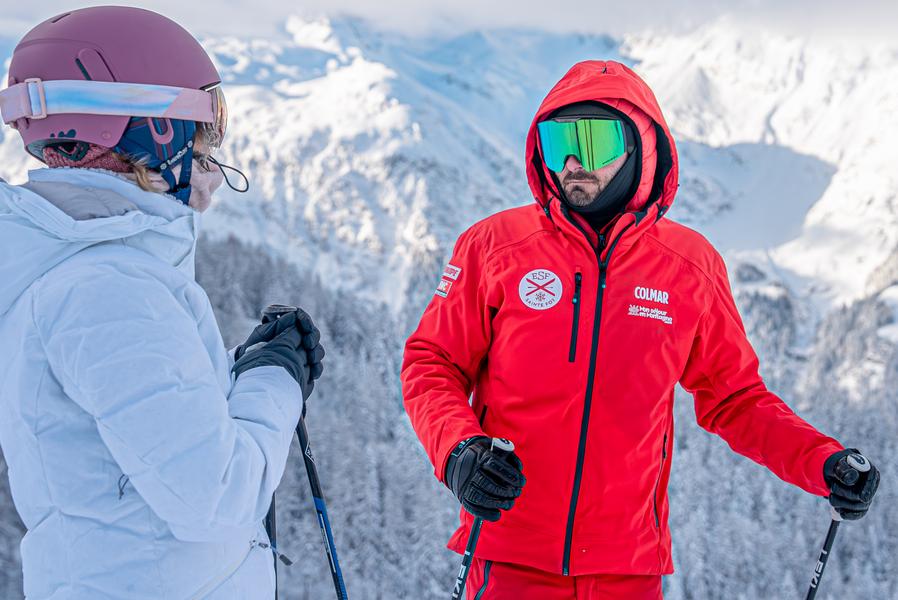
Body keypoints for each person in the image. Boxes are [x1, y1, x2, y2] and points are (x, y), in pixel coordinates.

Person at [401, 60, 880, 599]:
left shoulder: (689, 267)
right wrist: (458, 450)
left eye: (595, 140)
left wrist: (823, 461)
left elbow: (737, 400)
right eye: (559, 143)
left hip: (627, 569)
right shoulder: (495, 247)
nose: (575, 162)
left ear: (639, 146)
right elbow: (432, 362)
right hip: (509, 554)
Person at [0, 7, 323, 599]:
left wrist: (235, 372)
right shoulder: (106, 288)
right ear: (150, 130)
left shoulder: (73, 268)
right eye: (200, 129)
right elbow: (216, 498)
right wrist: (275, 381)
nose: (209, 159)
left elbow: (129, 438)